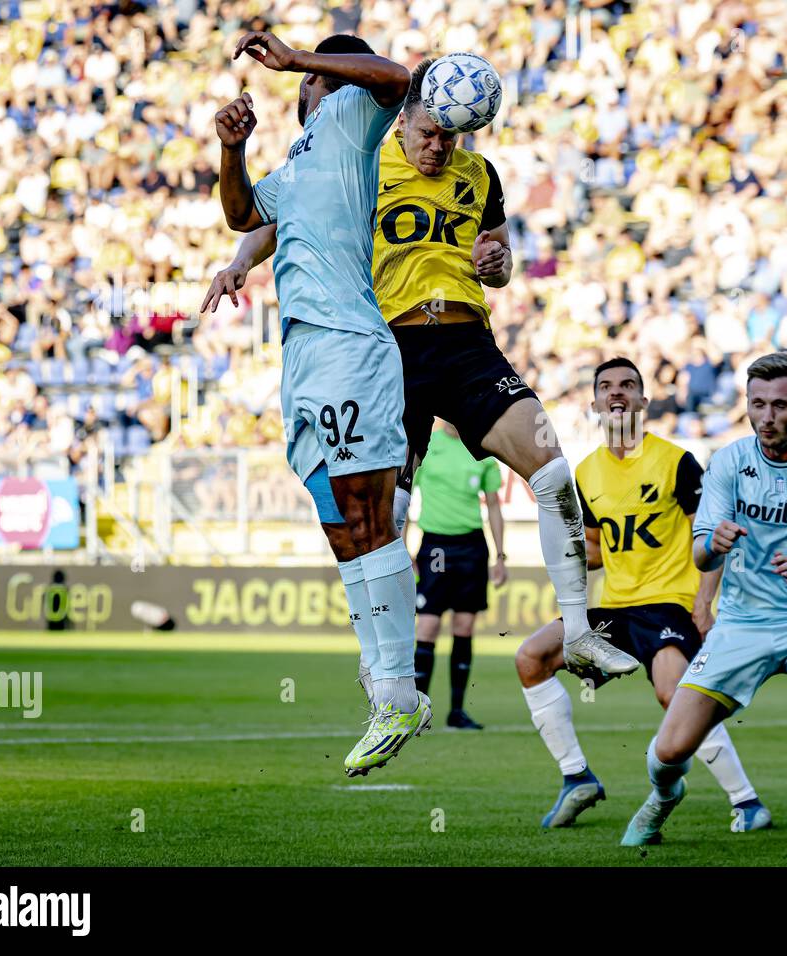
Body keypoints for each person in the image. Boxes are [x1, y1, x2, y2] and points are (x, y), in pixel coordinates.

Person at [204, 56, 637, 698]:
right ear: (402, 118)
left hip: (466, 342)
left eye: (451, 136)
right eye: (428, 132)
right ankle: (386, 665)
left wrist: (497, 263)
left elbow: (499, 256)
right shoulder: (365, 162)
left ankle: (576, 630)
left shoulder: (479, 174)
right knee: (389, 512)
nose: (438, 146)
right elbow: (280, 218)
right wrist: (239, 261)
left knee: (552, 472)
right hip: (390, 347)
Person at [212, 31, 428, 776]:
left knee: (368, 517)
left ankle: (401, 689)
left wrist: (305, 60)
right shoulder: (298, 163)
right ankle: (381, 679)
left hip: (347, 341)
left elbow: (399, 76)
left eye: (307, 79)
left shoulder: (346, 114)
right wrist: (232, 151)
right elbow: (244, 216)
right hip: (300, 353)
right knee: (338, 525)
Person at [619, 352, 787, 859]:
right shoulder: (729, 462)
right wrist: (716, 544)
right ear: (747, 406)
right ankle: (664, 796)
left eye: (780, 405)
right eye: (758, 405)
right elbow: (700, 549)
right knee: (669, 751)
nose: (768, 416)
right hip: (742, 624)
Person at [516, 357, 769, 831]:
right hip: (615, 607)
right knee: (531, 658)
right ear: (593, 403)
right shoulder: (586, 472)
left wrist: (703, 602)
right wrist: (561, 546)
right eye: (606, 387)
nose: (617, 393)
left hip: (668, 603)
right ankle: (577, 777)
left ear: (644, 401)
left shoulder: (677, 462)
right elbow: (595, 547)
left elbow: (709, 536)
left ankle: (746, 801)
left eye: (628, 386)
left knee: (673, 692)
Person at [408, 420, 506, 730]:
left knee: (464, 625)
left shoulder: (482, 448)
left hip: (472, 547)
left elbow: (493, 505)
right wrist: (403, 547)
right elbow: (406, 497)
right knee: (428, 624)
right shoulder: (426, 444)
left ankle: (456, 712)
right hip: (435, 544)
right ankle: (417, 712)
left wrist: (500, 555)